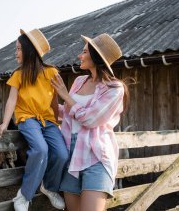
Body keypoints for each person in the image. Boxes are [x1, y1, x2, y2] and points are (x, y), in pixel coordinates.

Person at [50, 33, 129, 211]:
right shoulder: (79, 81)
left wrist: (64, 95)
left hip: (96, 157)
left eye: (84, 52)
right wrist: (51, 97)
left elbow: (91, 119)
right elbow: (68, 113)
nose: (80, 55)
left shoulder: (115, 89)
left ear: (96, 57)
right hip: (71, 155)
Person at [0, 28, 68, 211]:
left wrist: (57, 123)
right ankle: (24, 195)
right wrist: (5, 123)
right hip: (27, 118)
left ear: (29, 50)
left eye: (19, 49)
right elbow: (11, 100)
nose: (16, 53)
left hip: (49, 120)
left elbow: (54, 100)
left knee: (62, 154)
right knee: (40, 150)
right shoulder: (18, 74)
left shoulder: (51, 72)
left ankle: (49, 187)